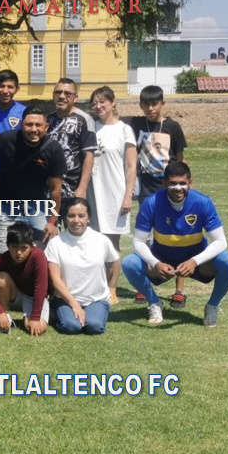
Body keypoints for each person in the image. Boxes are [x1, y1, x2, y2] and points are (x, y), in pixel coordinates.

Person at [121, 162, 228, 329]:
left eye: (182, 183)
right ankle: (154, 303)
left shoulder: (203, 202)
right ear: (164, 183)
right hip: (163, 262)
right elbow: (138, 241)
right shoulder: (151, 203)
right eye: (173, 183)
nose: (178, 188)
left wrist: (194, 261)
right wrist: (156, 263)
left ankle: (212, 306)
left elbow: (221, 242)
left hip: (197, 263)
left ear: (190, 183)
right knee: (129, 263)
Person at [124, 85, 188, 306]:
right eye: (146, 104)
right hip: (146, 189)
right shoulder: (135, 124)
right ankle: (145, 285)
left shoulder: (173, 127)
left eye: (155, 104)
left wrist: (183, 185)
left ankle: (179, 290)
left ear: (162, 104)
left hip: (170, 189)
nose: (151, 108)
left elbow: (180, 158)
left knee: (178, 236)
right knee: (146, 238)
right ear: (141, 105)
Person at [0, 106, 66, 252]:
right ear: (21, 125)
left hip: (38, 207)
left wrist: (53, 221)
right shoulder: (6, 139)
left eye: (38, 125)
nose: (33, 129)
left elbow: (55, 190)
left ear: (46, 127)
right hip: (6, 207)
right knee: (5, 253)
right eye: (29, 124)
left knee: (47, 250)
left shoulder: (53, 149)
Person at [88, 87, 136, 305]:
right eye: (94, 103)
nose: (98, 106)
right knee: (92, 243)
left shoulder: (124, 130)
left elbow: (131, 166)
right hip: (91, 194)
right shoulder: (90, 127)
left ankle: (112, 288)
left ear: (113, 102)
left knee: (111, 243)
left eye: (102, 102)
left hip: (115, 194)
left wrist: (128, 196)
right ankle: (94, 286)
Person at [45, 198, 120, 335]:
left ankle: (93, 312)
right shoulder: (55, 243)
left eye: (81, 216)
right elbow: (55, 280)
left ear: (88, 218)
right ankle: (57, 311)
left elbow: (111, 265)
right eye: (71, 216)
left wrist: (110, 288)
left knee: (94, 326)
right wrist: (75, 305)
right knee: (71, 327)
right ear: (65, 218)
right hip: (65, 299)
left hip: (95, 299)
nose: (76, 220)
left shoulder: (102, 240)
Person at [0, 222, 50, 336]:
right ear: (8, 245)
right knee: (1, 278)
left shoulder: (38, 256)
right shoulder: (3, 259)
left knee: (37, 329)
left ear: (32, 246)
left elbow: (41, 288)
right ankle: (4, 317)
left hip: (35, 297)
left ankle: (49, 313)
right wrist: (0, 312)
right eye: (14, 247)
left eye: (24, 248)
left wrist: (35, 318)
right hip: (16, 296)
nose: (18, 252)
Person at [47, 78, 98, 208]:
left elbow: (89, 155)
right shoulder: (48, 119)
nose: (62, 96)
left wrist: (82, 188)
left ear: (75, 98)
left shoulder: (84, 120)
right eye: (58, 92)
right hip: (49, 190)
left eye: (67, 93)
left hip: (72, 190)